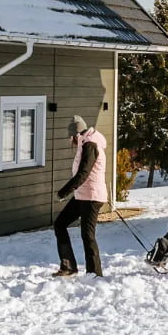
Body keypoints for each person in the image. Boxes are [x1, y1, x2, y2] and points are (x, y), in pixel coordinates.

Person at [52, 115, 108, 277]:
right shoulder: (85, 142)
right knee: (60, 224)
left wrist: (64, 191)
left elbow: (83, 173)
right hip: (82, 194)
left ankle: (94, 273)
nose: (70, 141)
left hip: (92, 196)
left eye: (71, 137)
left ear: (76, 134)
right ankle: (68, 266)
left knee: (87, 235)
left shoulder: (90, 145)